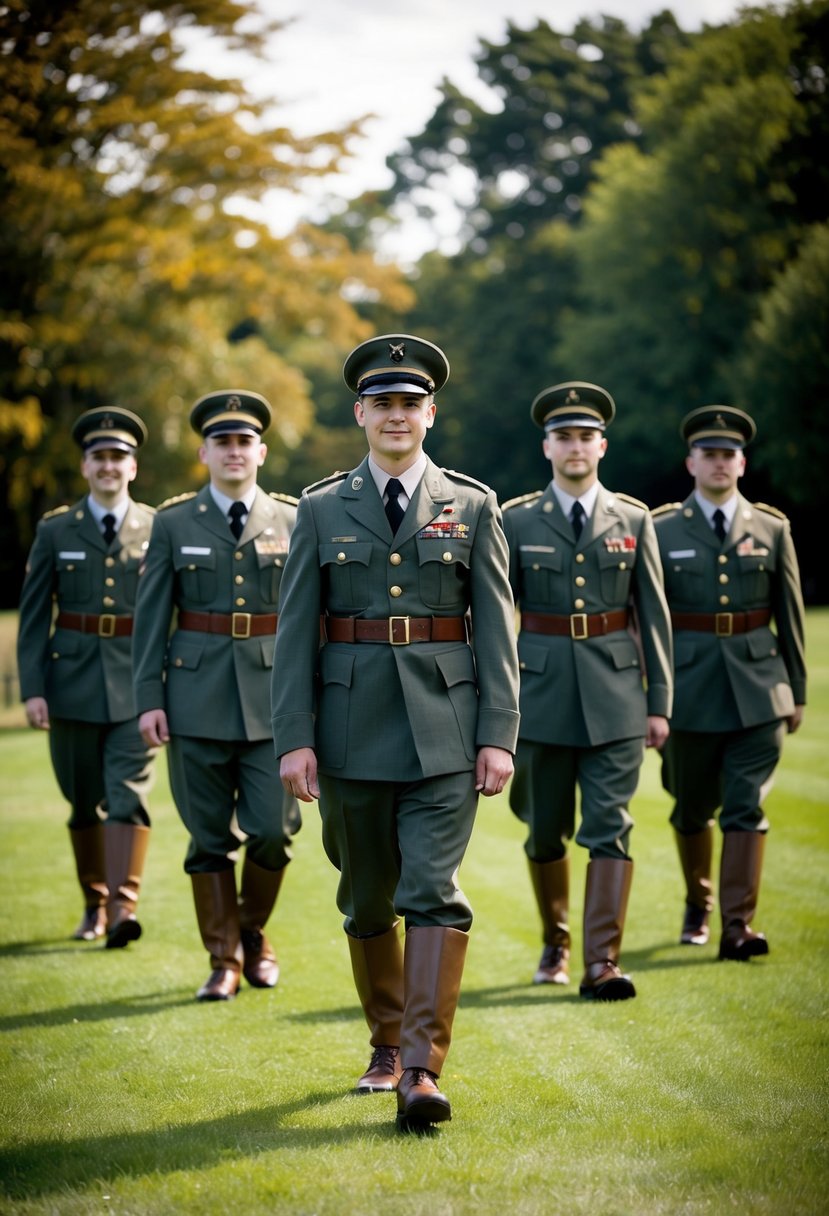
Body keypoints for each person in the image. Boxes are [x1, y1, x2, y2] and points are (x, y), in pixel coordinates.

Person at [272, 334, 520, 1131]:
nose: (396, 416)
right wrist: (293, 738)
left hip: (447, 728)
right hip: (347, 729)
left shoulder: (473, 505)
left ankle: (419, 1069)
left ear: (430, 414)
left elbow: (498, 629)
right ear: (360, 414)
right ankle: (383, 1046)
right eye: (382, 404)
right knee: (367, 895)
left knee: (432, 892)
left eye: (410, 404)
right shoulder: (317, 508)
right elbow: (293, 633)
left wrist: (499, 733)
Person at [502, 382, 673, 1001]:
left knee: (611, 826)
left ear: (602, 445)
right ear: (547, 446)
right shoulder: (517, 520)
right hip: (540, 697)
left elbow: (652, 615)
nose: (575, 446)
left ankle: (602, 961)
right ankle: (557, 939)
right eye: (563, 436)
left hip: (617, 694)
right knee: (544, 829)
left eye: (585, 436)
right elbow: (497, 619)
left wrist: (660, 704)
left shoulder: (633, 518)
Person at [133, 390, 300, 1001]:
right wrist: (148, 696)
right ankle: (223, 959)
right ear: (204, 451)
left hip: (273, 702)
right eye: (222, 442)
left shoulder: (292, 518)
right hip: (195, 698)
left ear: (260, 450)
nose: (234, 452)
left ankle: (251, 931)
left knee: (274, 833)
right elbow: (151, 618)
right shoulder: (173, 522)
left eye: (244, 441)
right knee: (207, 838)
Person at [653, 405, 806, 960]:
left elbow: (788, 613)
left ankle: (738, 926)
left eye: (728, 455)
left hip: (759, 687)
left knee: (746, 805)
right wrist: (655, 697)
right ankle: (700, 901)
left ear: (742, 463)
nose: (719, 463)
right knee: (690, 807)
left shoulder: (772, 528)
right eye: (708, 454)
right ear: (691, 462)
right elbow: (650, 618)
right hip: (688, 689)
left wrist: (797, 690)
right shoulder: (661, 528)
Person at [17, 406, 156, 948]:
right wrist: (32, 689)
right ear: (85, 466)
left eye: (118, 456)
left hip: (134, 683)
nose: (109, 466)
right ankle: (94, 902)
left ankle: (123, 909)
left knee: (126, 796)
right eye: (99, 457)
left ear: (133, 466)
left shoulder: (155, 526)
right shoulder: (56, 530)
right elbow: (32, 620)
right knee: (83, 800)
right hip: (70, 684)